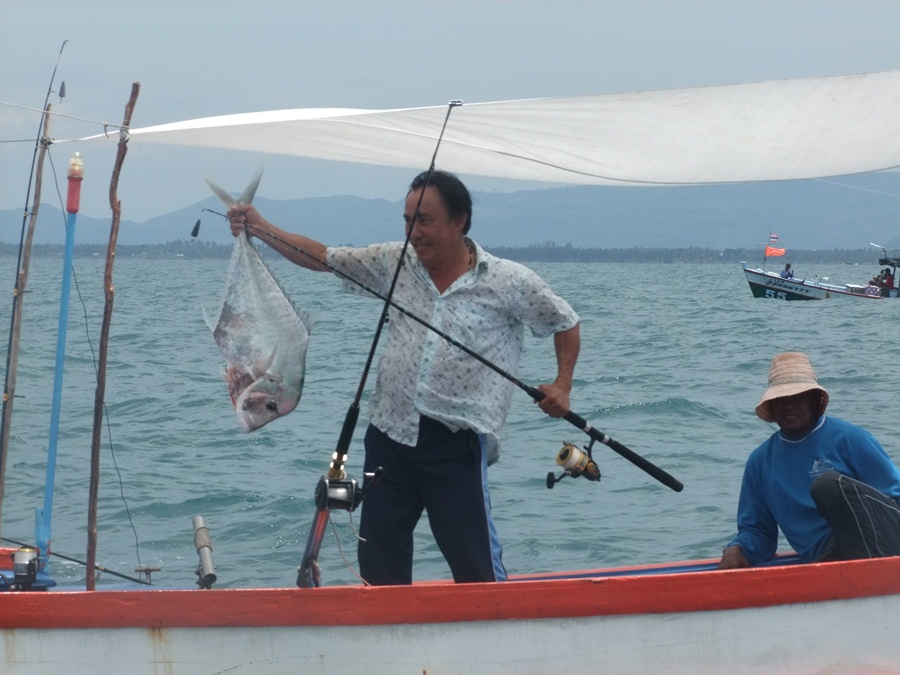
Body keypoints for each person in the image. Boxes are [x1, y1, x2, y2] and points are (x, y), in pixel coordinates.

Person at [227, 170, 580, 585]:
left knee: (475, 565)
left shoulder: (510, 281)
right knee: (379, 559)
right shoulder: (394, 263)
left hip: (458, 444)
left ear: (460, 220)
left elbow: (565, 321)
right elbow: (324, 258)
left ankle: (494, 630)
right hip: (389, 437)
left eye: (425, 220)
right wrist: (261, 228)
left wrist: (562, 384)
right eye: (407, 220)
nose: (414, 232)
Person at [718, 352, 900, 569]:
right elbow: (759, 534)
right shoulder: (760, 463)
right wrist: (739, 548)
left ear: (816, 402)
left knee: (827, 486)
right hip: (825, 559)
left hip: (886, 545)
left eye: (799, 397)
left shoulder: (851, 439)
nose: (789, 406)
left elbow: (893, 499)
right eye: (781, 399)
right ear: (772, 407)